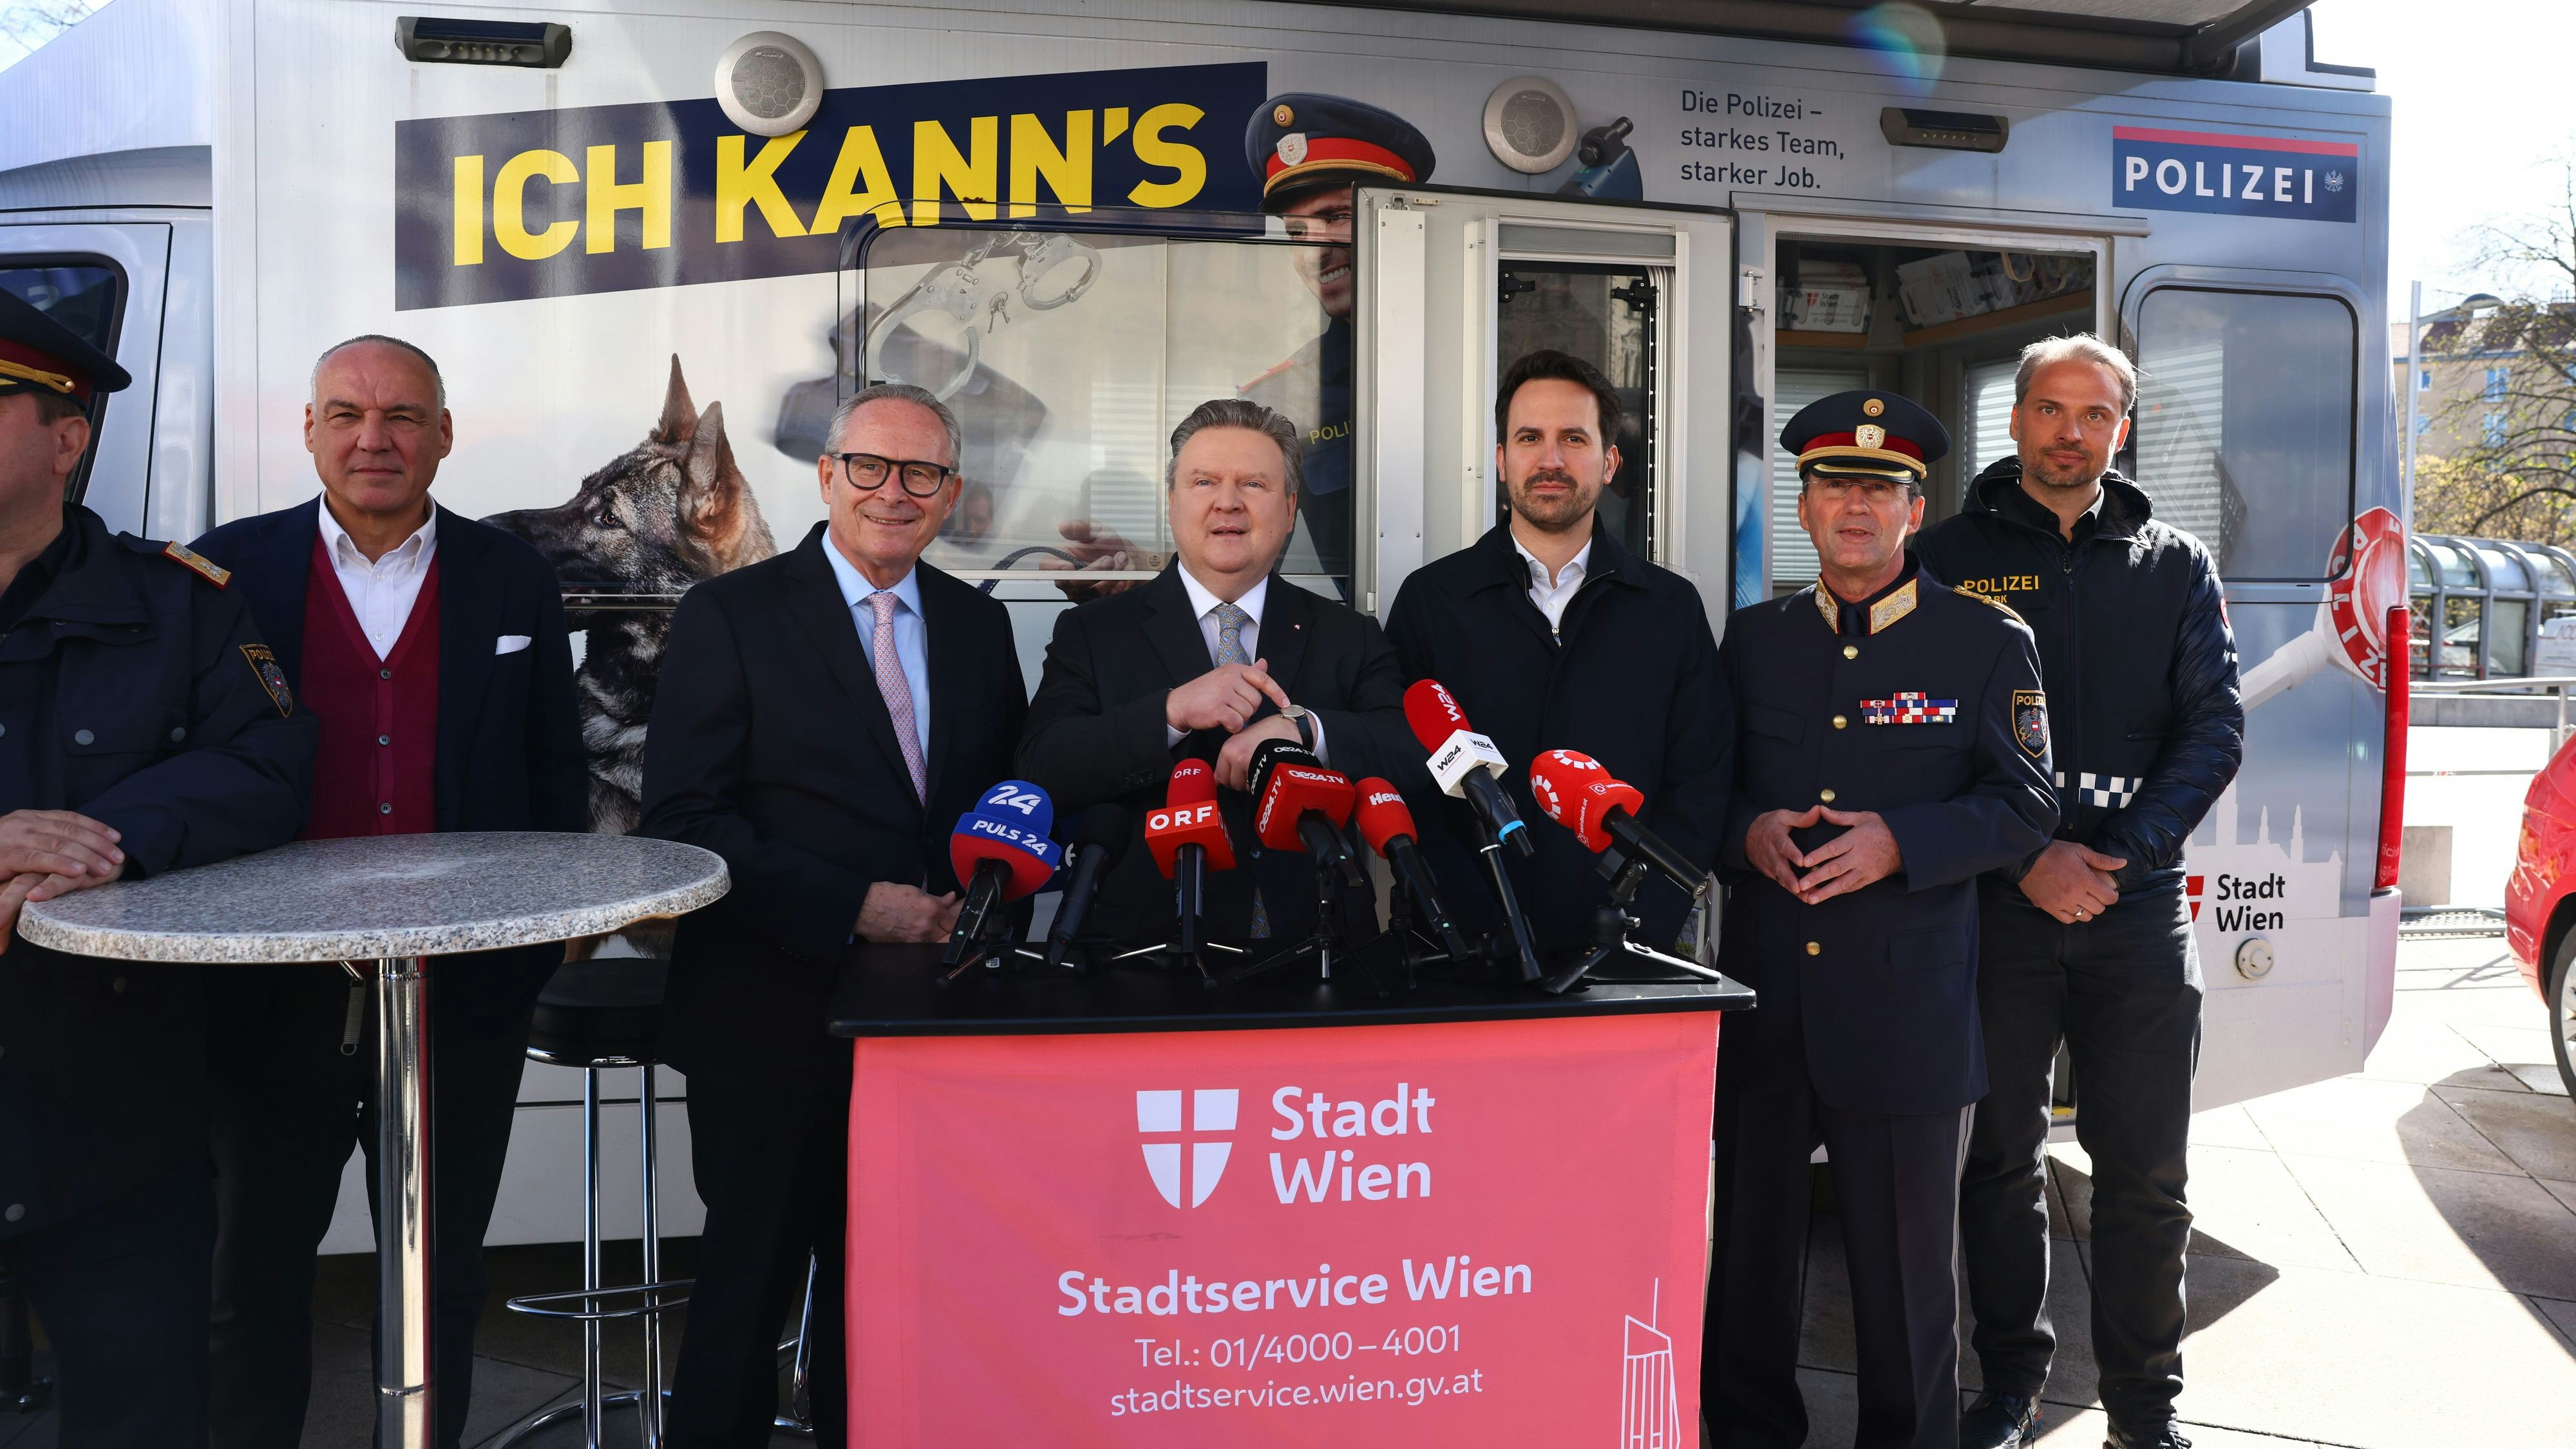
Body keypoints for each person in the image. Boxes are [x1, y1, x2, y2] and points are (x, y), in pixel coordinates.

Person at [187, 335, 587, 1448]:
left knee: (442, 1273)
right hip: (270, 991)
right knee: (251, 1270)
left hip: (463, 994)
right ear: (310, 431)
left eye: (405, 415)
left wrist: (536, 948)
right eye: (348, 414)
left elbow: (554, 771)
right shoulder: (225, 571)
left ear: (444, 435)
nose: (377, 439)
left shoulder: (512, 576)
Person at [639, 381, 1026, 1448]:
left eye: (921, 472)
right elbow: (684, 820)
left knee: (893, 1299)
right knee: (746, 1293)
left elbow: (1007, 795)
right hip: (772, 1016)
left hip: (927, 1023)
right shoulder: (731, 615)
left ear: (950, 491)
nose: (893, 492)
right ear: (826, 475)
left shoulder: (980, 624)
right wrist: (855, 906)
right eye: (869, 466)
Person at [1704, 390, 2057, 1449]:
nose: (1855, 507)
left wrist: (1902, 842)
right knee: (1747, 1273)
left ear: (1915, 508)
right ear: (1803, 506)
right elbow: (1702, 788)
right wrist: (1748, 831)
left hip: (1906, 1016)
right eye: (1834, 486)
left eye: (1880, 489)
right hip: (1769, 1007)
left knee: (1907, 1291)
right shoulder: (1754, 639)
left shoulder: (1984, 640)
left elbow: (2028, 803)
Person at [0, 289, 316, 1446]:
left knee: (142, 1419)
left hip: (116, 1116)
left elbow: (270, 761)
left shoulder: (180, 604)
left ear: (66, 438)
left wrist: (106, 837)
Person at [1915, 335, 2241, 1449]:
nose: (2071, 433)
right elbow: (1920, 737)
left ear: (2121, 429)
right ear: (2015, 421)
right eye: (2051, 410)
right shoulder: (1944, 556)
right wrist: (2026, 859)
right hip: (1992, 909)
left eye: (2094, 414)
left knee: (2146, 1176)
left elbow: (2215, 728)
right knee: (1996, 1163)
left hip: (2136, 913)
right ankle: (2010, 1389)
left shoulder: (2175, 565)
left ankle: (2144, 1413)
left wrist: (2121, 858)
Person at [1019, 397, 1413, 946]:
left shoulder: (1350, 634)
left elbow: (1412, 756)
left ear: (1290, 508)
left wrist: (1305, 729)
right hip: (1141, 957)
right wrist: (1170, 713)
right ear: (1172, 502)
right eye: (1204, 482)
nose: (1228, 502)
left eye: (1253, 484)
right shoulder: (1093, 630)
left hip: (1319, 951)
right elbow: (1042, 770)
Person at [1382, 349, 1730, 949]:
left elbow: (1700, 785)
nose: (1550, 460)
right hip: (1465, 955)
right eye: (1529, 438)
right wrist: (1473, 927)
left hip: (1624, 951)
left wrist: (1639, 924)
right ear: (1501, 460)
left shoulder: (1670, 609)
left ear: (1610, 462)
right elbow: (1406, 775)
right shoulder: (1432, 601)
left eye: (1574, 438)